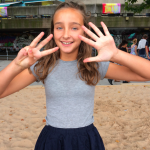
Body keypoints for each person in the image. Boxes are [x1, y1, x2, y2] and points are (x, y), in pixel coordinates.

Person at [0, 2, 150, 150]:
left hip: (87, 140)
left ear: (84, 32)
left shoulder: (94, 65)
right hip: (52, 140)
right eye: (59, 27)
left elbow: (146, 74)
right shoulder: (43, 66)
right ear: (52, 31)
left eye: (74, 27)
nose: (66, 34)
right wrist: (16, 65)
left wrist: (117, 54)